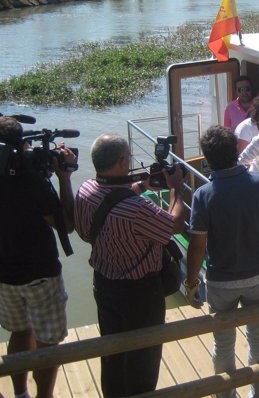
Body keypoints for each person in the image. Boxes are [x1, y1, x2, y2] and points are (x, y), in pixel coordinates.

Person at [74, 133, 186, 398]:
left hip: (104, 285)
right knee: (143, 358)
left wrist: (141, 186)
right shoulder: (137, 210)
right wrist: (176, 188)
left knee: (112, 352)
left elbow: (107, 206)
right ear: (124, 161)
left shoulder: (86, 190)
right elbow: (174, 225)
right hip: (140, 293)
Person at [185, 126, 259, 398]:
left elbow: (197, 246)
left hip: (221, 281)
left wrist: (192, 281)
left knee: (223, 342)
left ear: (206, 157)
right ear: (237, 151)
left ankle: (225, 395)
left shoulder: (203, 195)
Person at [0, 116, 76, 398]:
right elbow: (66, 224)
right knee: (47, 342)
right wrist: (64, 178)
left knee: (19, 333)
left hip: (5, 276)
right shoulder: (33, 181)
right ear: (23, 143)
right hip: (41, 275)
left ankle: (20, 394)